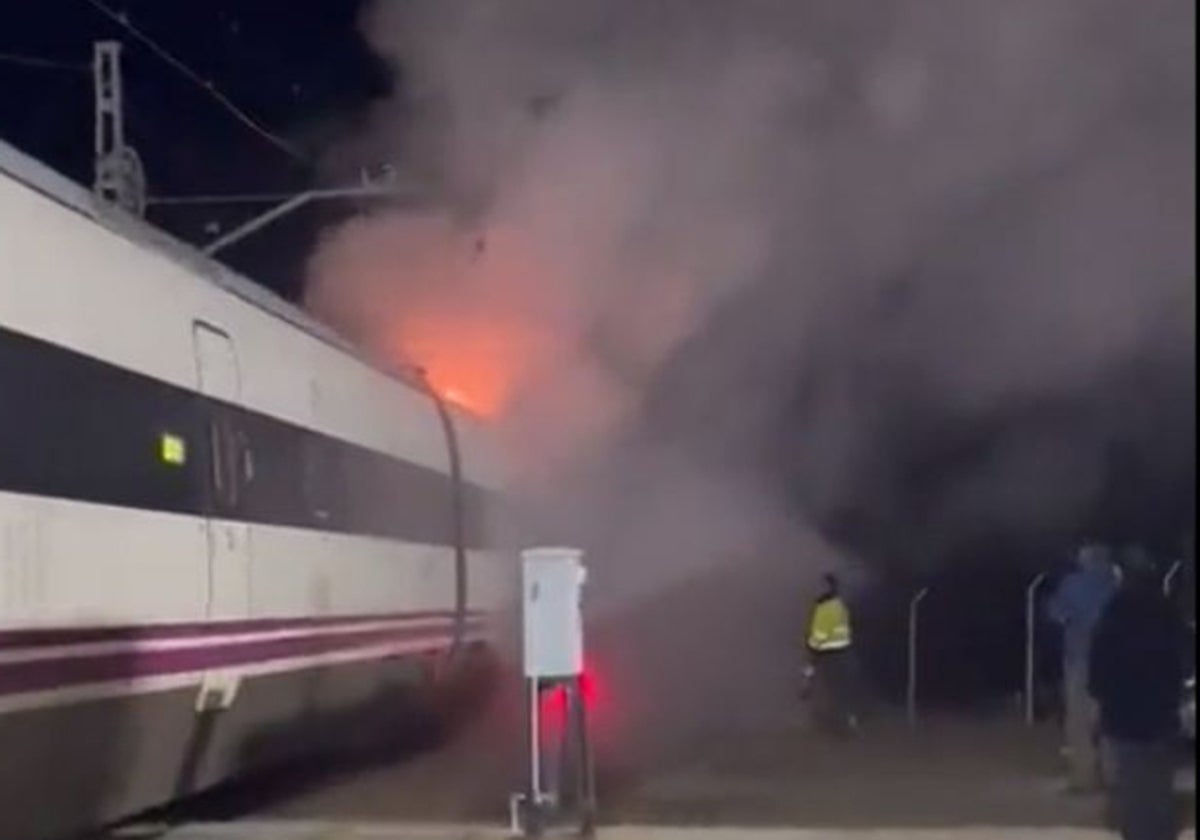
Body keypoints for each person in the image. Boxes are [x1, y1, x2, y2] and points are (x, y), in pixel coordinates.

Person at [1089, 549, 1187, 840]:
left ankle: (1137, 832)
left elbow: (1099, 666)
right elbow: (1181, 659)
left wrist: (1099, 698)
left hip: (1123, 713)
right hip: (1161, 710)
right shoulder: (1168, 613)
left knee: (1131, 779)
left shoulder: (1113, 615)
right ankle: (1161, 831)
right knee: (1159, 778)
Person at [1048, 543, 1119, 791]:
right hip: (1112, 661)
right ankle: (1113, 776)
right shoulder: (1115, 585)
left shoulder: (1072, 584)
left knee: (1079, 721)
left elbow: (1057, 614)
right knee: (1110, 720)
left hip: (1080, 657)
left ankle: (1083, 778)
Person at [804, 572, 857, 735]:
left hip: (828, 654)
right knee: (842, 689)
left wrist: (812, 653)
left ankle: (837, 726)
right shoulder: (840, 605)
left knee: (830, 689)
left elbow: (818, 635)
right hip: (844, 652)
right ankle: (849, 721)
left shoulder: (823, 608)